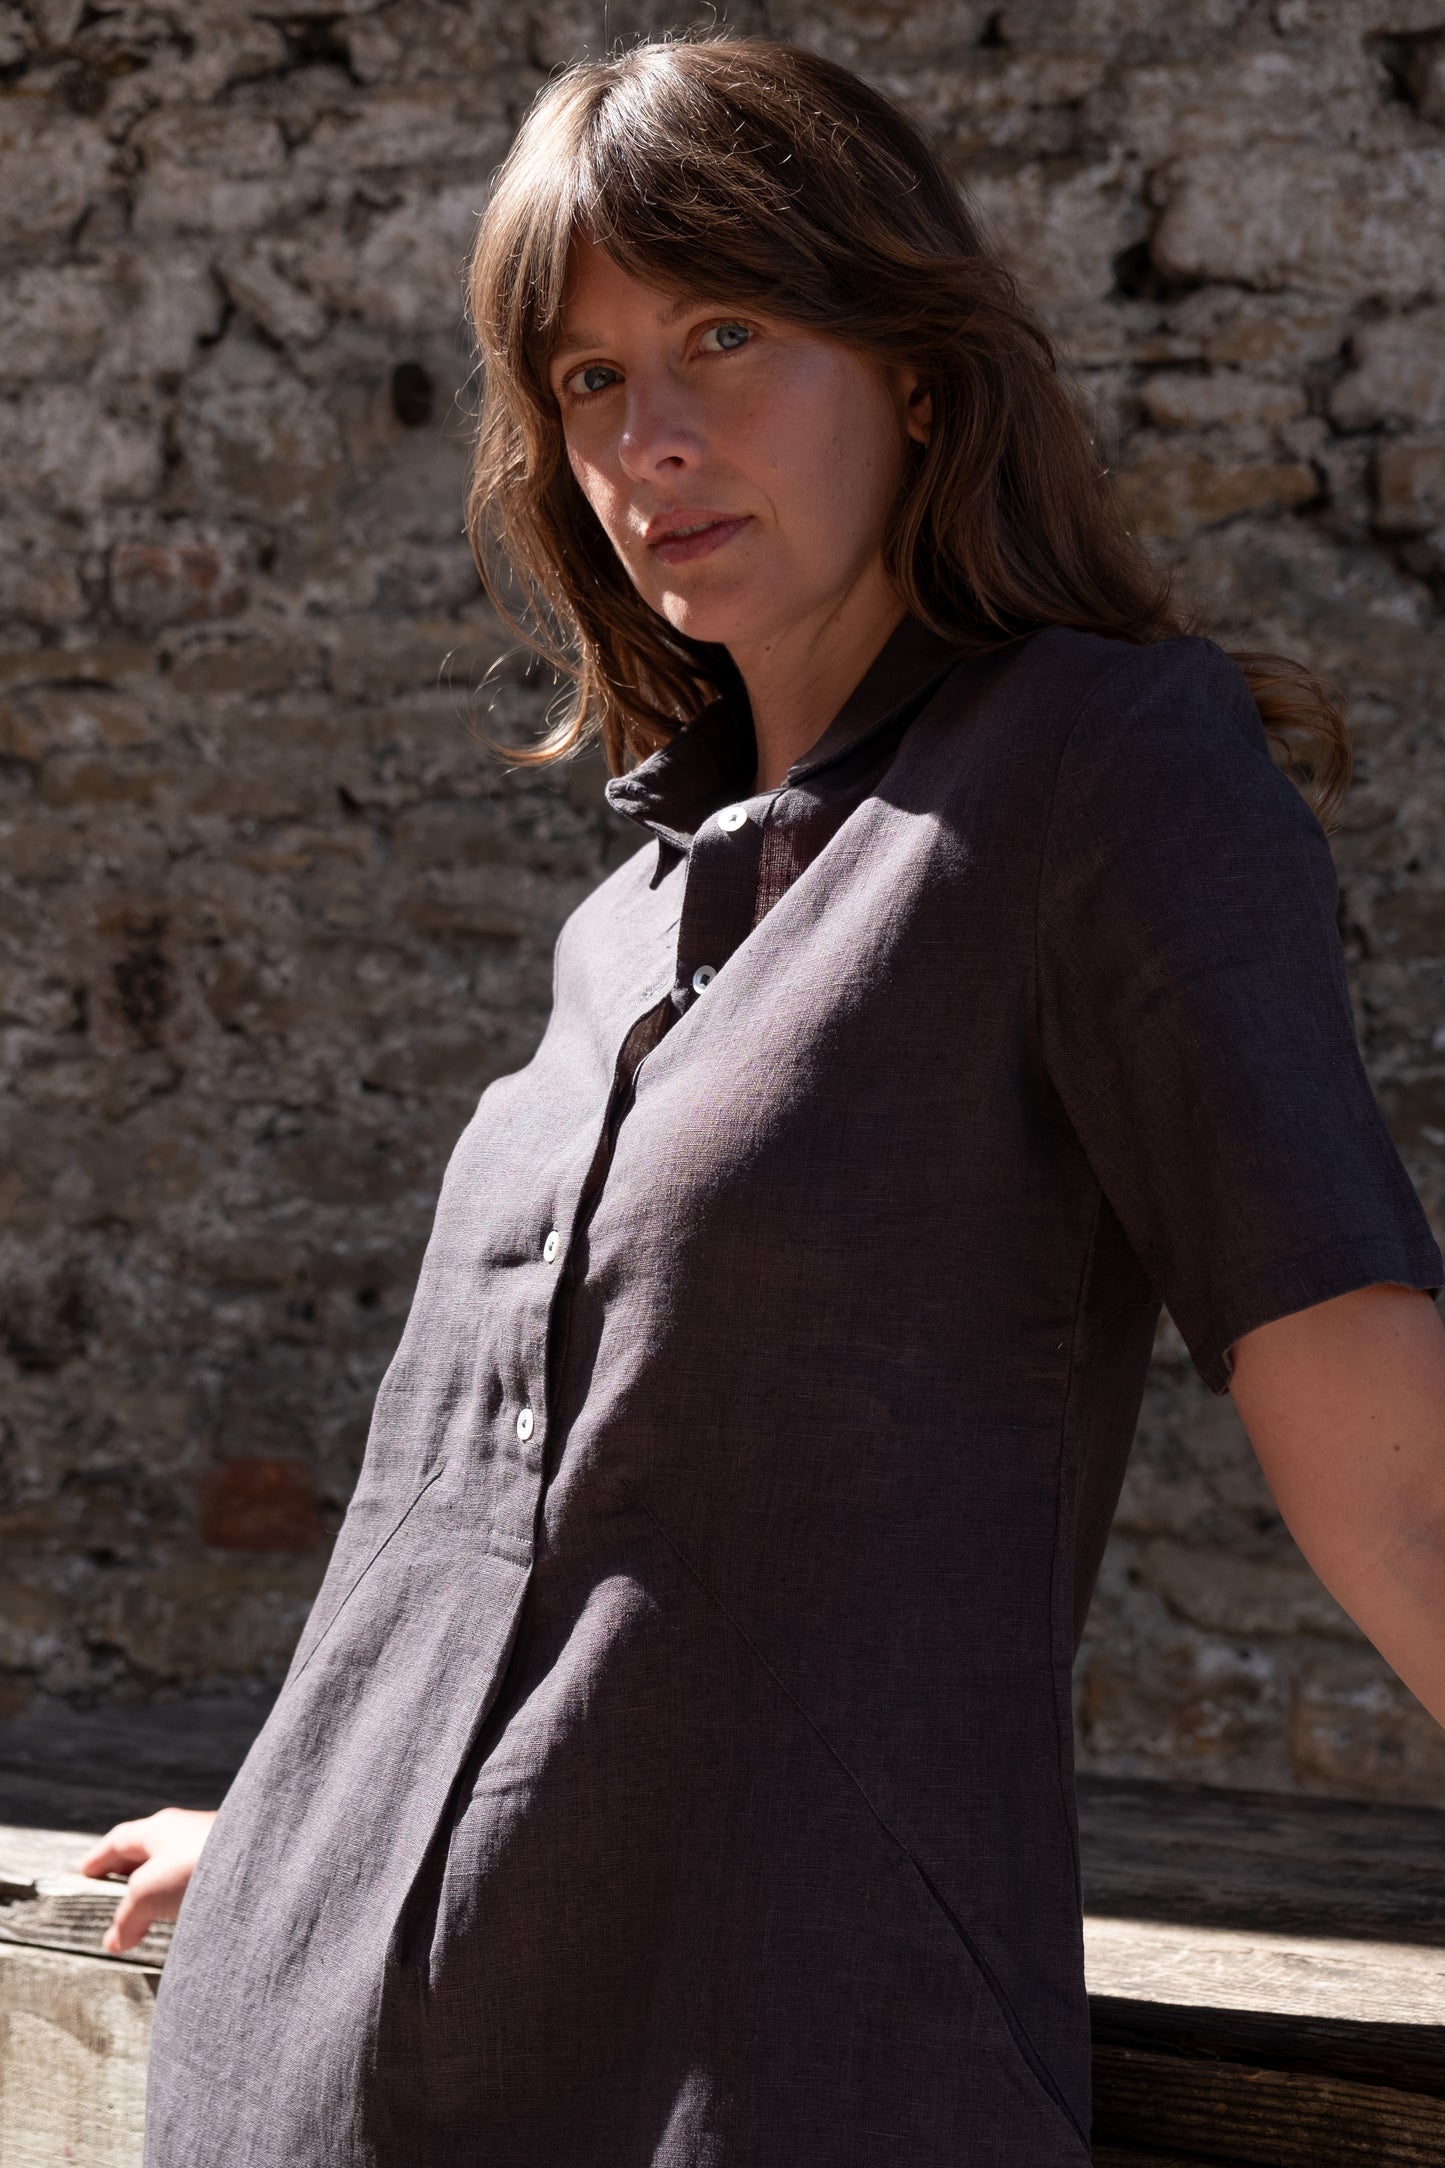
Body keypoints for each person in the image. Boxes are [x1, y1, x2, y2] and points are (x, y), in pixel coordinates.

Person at [81, 34, 1445, 2167]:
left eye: (723, 333)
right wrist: (296, 1820)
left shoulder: (1104, 775)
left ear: (915, 368)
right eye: (591, 377)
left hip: (774, 2066)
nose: (653, 437)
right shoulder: (626, 919)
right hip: (307, 2054)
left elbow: (1387, 1459)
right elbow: (500, 1531)